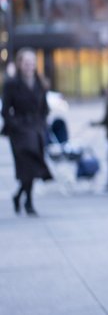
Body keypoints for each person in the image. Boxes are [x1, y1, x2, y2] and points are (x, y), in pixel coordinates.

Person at [2, 48, 52, 216]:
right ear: (20, 64)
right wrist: (15, 125)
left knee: (33, 167)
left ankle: (20, 196)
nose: (30, 66)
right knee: (27, 166)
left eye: (32, 63)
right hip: (19, 133)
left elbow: (45, 108)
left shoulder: (40, 83)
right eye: (26, 63)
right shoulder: (11, 84)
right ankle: (28, 201)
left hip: (36, 130)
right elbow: (5, 110)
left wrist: (42, 124)